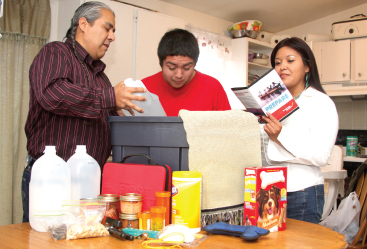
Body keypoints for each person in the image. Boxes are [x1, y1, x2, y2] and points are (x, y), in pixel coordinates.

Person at [22, 1, 146, 222]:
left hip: (89, 183)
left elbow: (104, 122)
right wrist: (109, 97)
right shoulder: (56, 53)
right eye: (107, 28)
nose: (112, 36)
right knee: (45, 242)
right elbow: (52, 93)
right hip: (51, 180)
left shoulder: (101, 78)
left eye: (114, 31)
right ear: (83, 24)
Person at [260, 37, 338, 224]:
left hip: (301, 193)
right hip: (268, 191)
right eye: (277, 63)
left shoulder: (320, 103)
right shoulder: (269, 103)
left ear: (307, 66)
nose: (282, 67)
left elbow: (321, 157)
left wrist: (280, 137)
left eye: (290, 60)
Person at [141, 29, 231, 116]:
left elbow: (227, 127)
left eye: (187, 68)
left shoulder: (213, 87)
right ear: (160, 60)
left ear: (195, 63)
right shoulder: (143, 88)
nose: (179, 75)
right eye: (171, 68)